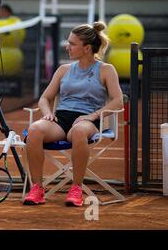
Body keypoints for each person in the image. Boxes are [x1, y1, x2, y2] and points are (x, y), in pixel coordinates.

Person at [23, 21, 123, 207]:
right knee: (35, 129)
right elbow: (45, 98)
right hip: (60, 120)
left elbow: (118, 100)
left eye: (72, 43)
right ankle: (37, 188)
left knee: (78, 132)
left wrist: (93, 116)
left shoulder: (106, 70)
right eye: (68, 42)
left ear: (87, 48)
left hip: (88, 120)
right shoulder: (64, 70)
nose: (67, 46)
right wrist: (47, 114)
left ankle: (76, 188)